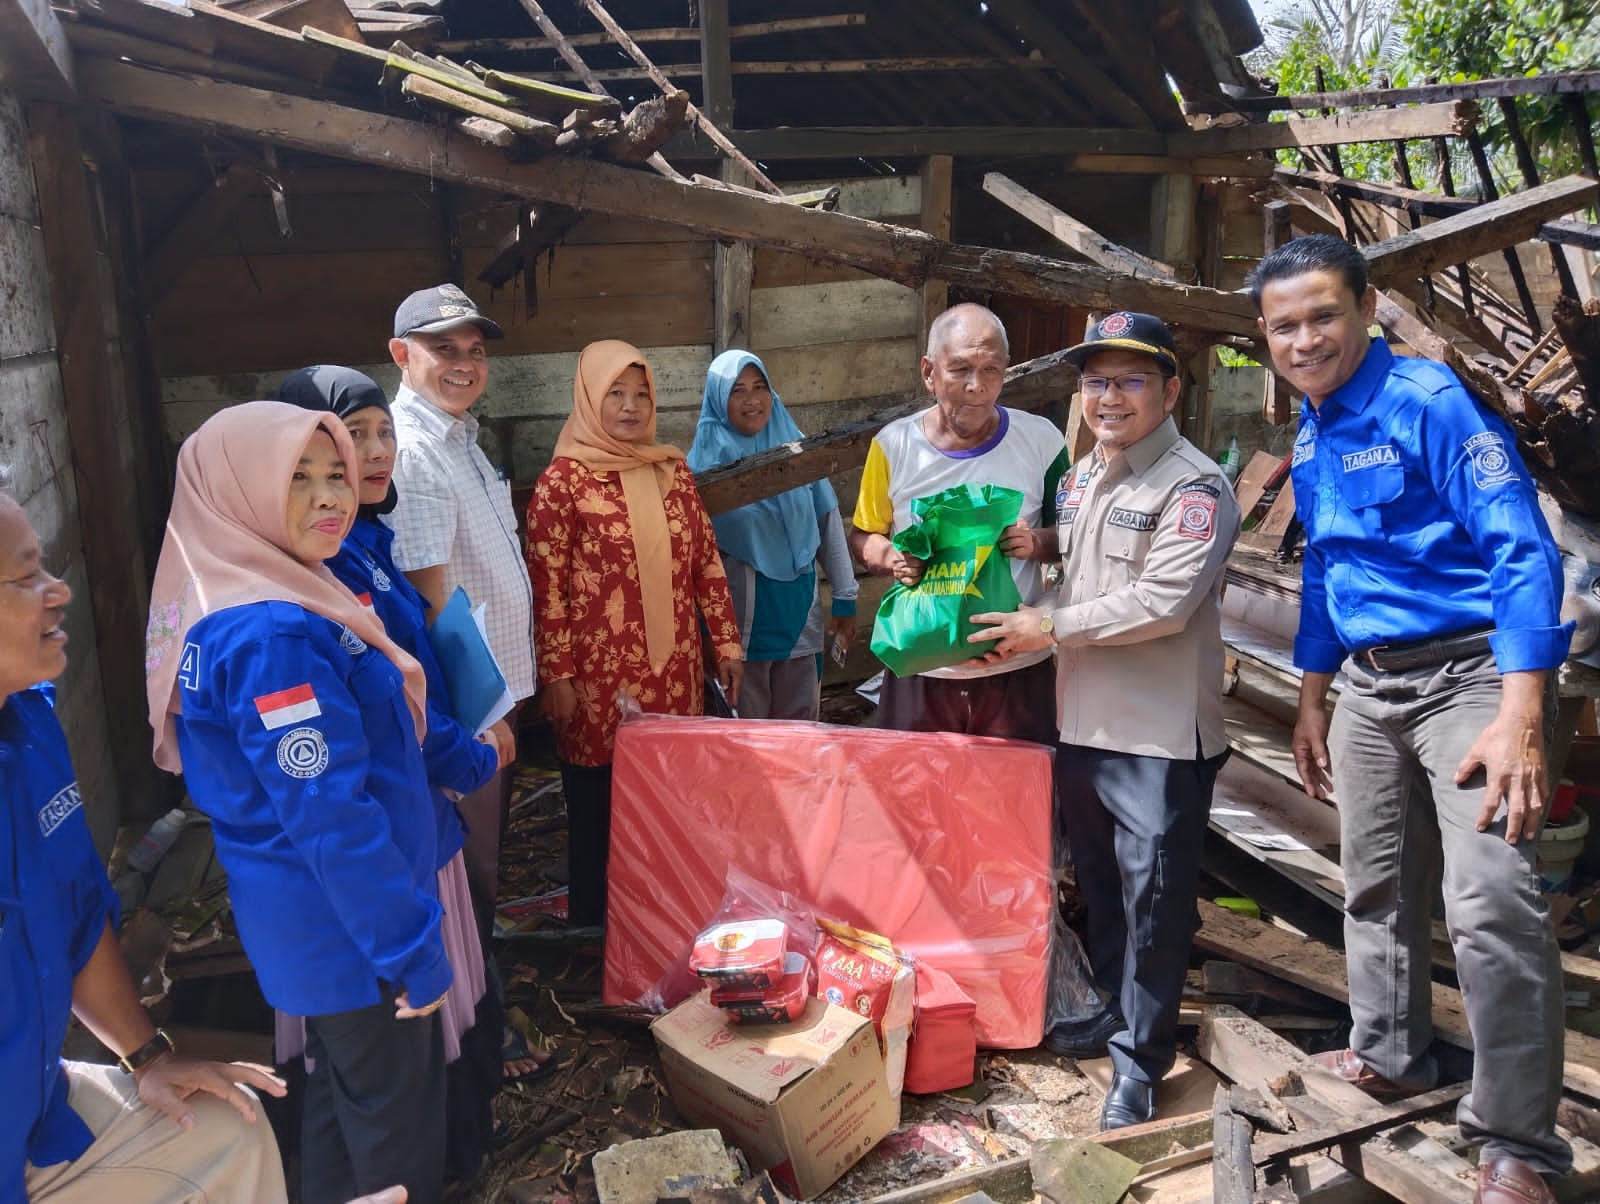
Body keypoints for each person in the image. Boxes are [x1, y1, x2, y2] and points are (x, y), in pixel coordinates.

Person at [1247, 234, 1572, 1204]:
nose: (1304, 339)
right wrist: (1311, 695)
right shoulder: (1311, 426)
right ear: (1263, 338)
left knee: (1489, 906)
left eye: (1321, 316)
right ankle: (1390, 1051)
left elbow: (1522, 550)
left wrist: (1521, 709)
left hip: (1470, 676)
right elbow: (1326, 572)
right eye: (1283, 325)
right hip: (1367, 685)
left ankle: (1518, 1145)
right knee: (1375, 883)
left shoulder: (1426, 403)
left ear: (1364, 308)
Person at [145, 403, 451, 1204]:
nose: (330, 499)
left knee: (341, 1104)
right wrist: (412, 948)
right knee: (393, 1136)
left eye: (336, 476)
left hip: (316, 926)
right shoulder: (272, 633)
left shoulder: (254, 591)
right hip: (351, 932)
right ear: (239, 494)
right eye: (297, 480)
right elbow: (332, 819)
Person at [970, 311, 1240, 1131]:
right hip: (1083, 721)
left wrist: (1045, 625)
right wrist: (1042, 541)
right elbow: (1085, 557)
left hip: (1156, 736)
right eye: (1095, 381)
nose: (1108, 397)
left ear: (1170, 390)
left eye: (1129, 380)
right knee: (1106, 895)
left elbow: (1162, 601)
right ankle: (1120, 1022)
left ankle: (1140, 1067)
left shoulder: (1196, 488)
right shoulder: (1086, 472)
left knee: (1156, 903)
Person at [276, 367, 540, 1182]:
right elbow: (381, 729)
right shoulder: (310, 586)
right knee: (382, 1082)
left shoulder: (366, 545)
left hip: (415, 822)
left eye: (380, 432)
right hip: (380, 855)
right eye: (348, 437)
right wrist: (470, 754)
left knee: (399, 1064)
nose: (373, 452)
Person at [1, 489, 289, 1203]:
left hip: (36, 1119)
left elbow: (73, 916)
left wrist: (146, 1056)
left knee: (228, 1128)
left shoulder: (30, 727)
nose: (58, 591)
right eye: (26, 576)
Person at [527, 341, 743, 929]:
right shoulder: (562, 484)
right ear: (590, 400)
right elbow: (548, 590)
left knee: (668, 805)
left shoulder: (671, 473)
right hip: (596, 687)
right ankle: (598, 938)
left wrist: (725, 643)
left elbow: (706, 564)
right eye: (614, 394)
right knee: (598, 812)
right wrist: (558, 676)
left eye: (641, 394)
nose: (629, 407)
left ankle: (664, 927)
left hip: (673, 676)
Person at [384, 284, 534, 945]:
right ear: (401, 354)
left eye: (474, 351)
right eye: (442, 349)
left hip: (490, 695)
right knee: (466, 863)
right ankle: (475, 1017)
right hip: (469, 707)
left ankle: (480, 997)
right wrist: (486, 710)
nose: (464, 364)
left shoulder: (459, 438)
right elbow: (430, 601)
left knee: (484, 854)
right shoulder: (414, 452)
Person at [849, 302, 1069, 744]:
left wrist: (1035, 542)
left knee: (1013, 800)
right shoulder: (895, 445)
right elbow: (863, 535)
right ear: (929, 373)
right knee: (915, 802)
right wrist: (892, 557)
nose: (977, 386)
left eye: (992, 369)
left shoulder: (1042, 441)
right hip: (923, 667)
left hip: (1015, 669)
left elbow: (1072, 538)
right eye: (961, 369)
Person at [686, 350, 858, 720]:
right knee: (747, 747)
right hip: (740, 636)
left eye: (759, 387)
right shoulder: (699, 469)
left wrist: (845, 598)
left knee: (800, 739)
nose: (752, 400)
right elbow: (694, 564)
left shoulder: (796, 448)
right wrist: (707, 636)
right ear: (718, 399)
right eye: (737, 391)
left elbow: (827, 523)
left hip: (800, 622)